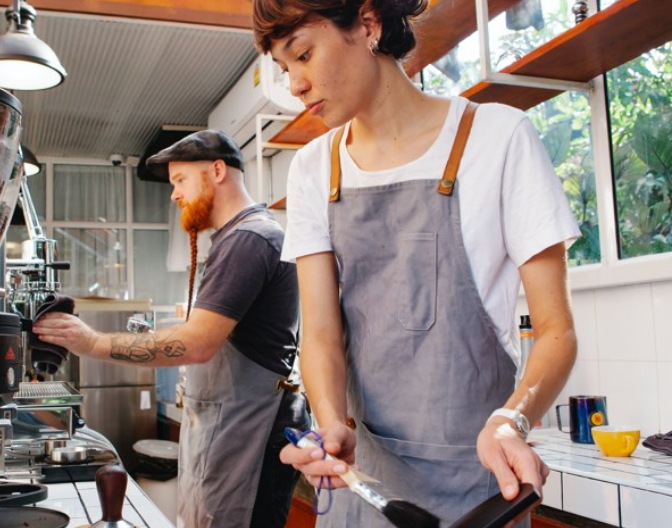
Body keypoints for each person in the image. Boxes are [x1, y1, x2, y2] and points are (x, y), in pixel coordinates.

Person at [251, 1, 579, 527]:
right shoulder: (313, 168)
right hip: (364, 487)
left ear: (368, 24)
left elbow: (556, 330)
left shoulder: (498, 138)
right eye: (285, 68)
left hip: (479, 484)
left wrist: (511, 421)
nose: (295, 85)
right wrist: (332, 424)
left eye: (304, 55)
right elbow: (320, 336)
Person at [32, 129, 310, 528]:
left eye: (180, 180)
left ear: (217, 171)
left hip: (251, 434)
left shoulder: (251, 239)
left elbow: (197, 344)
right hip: (229, 432)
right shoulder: (233, 239)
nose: (174, 194)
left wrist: (91, 342)